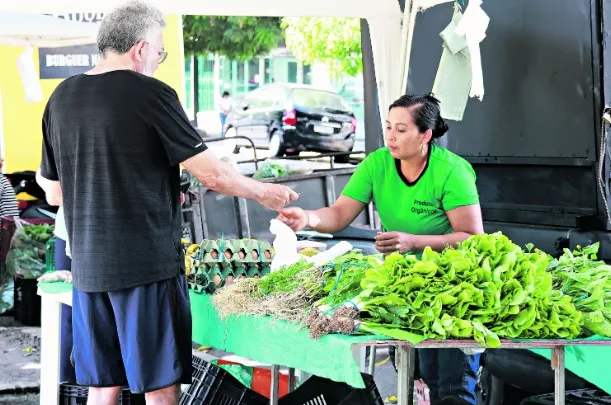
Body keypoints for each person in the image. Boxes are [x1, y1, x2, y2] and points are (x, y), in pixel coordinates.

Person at [35, 2, 298, 405]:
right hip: (145, 266)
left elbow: (53, 192)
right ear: (140, 49)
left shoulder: (62, 96)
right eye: (159, 51)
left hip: (88, 267)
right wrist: (265, 192)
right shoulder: (151, 93)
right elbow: (211, 174)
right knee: (159, 383)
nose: (159, 60)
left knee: (102, 384)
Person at [278, 94, 483, 405]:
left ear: (425, 135)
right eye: (388, 127)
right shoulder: (376, 165)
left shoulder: (453, 171)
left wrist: (414, 241)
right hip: (406, 288)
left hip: (455, 289)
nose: (391, 136)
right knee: (423, 379)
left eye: (401, 130)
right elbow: (339, 214)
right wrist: (307, 217)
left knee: (453, 389)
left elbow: (472, 238)